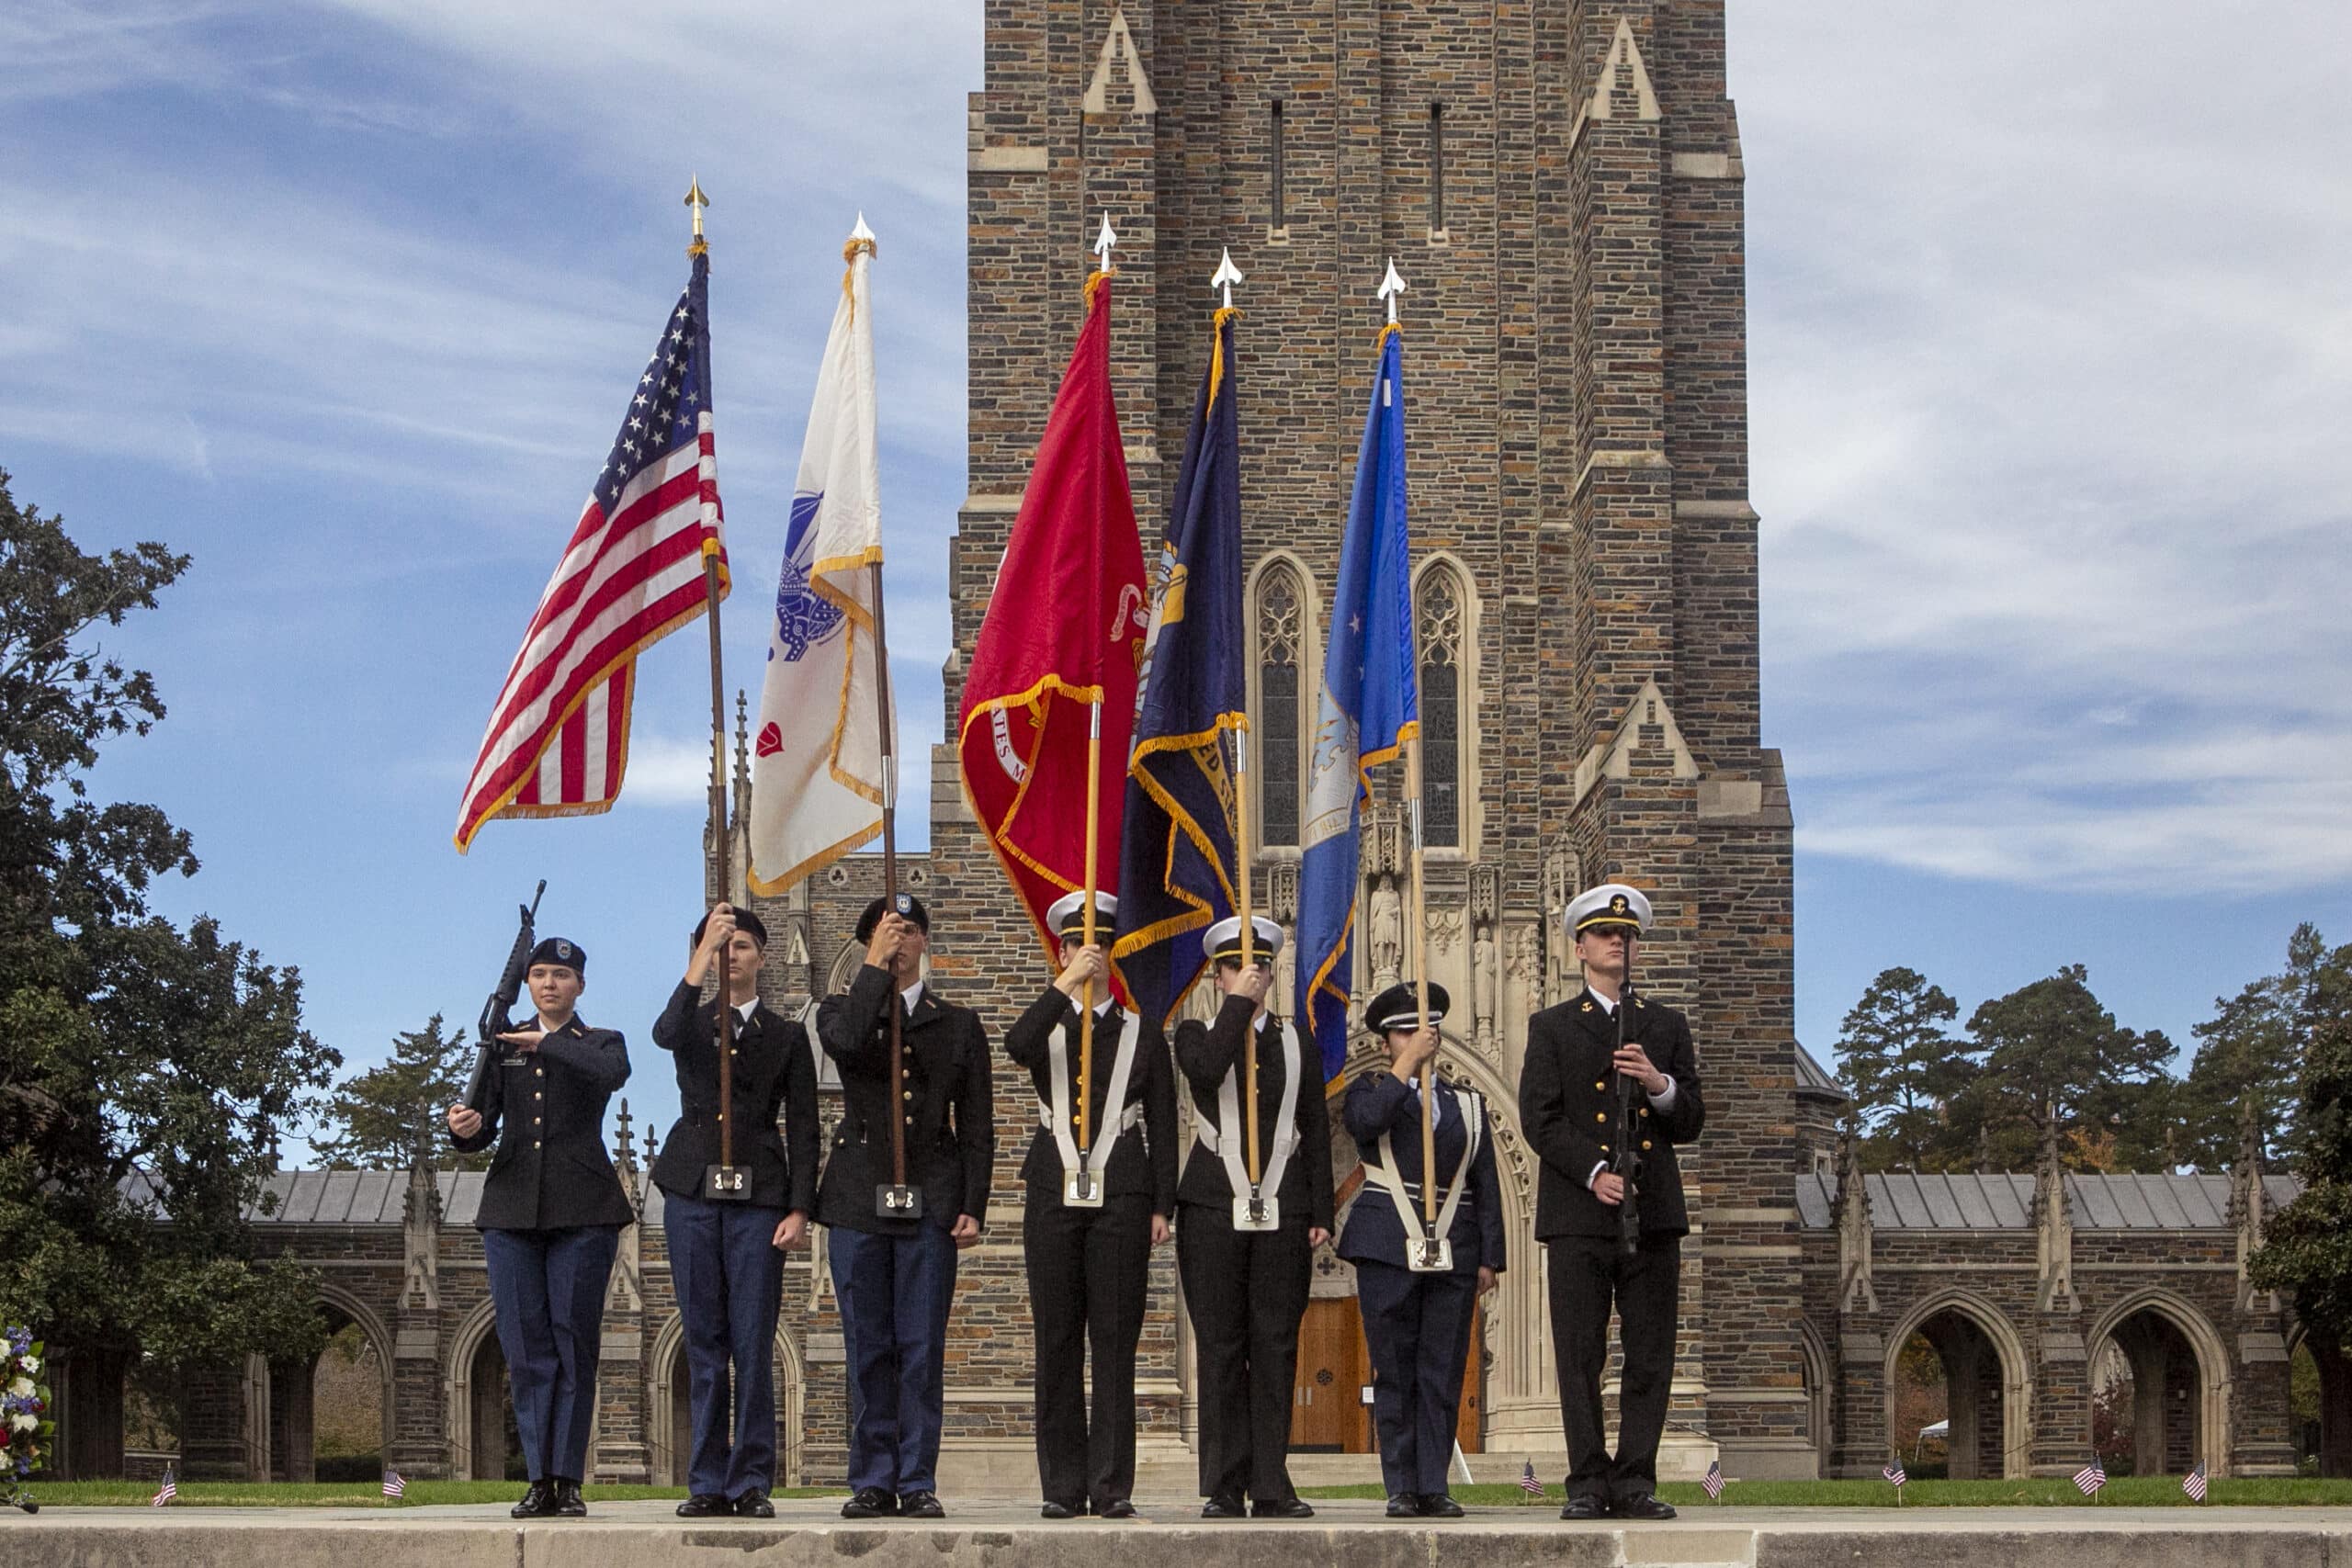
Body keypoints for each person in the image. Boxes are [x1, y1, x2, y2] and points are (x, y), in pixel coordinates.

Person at [1517, 883, 1705, 1521]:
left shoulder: (1664, 1024)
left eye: (1625, 935)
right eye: (1604, 934)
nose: (1616, 942)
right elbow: (1539, 1120)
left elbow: (1692, 1120)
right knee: (1580, 1352)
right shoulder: (1552, 1026)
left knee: (1650, 1353)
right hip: (1579, 1214)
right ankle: (1587, 1481)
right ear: (1580, 948)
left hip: (1651, 1213)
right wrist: (1594, 1169)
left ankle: (1635, 1479)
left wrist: (1659, 1083)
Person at [815, 894, 994, 1520]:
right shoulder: (843, 1008)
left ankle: (916, 1477)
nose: (900, 941)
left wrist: (973, 1201)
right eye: (888, 932)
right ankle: (872, 1476)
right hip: (857, 1197)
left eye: (910, 931)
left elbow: (975, 1124)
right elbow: (843, 1042)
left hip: (931, 1198)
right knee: (869, 1346)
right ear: (870, 943)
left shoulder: (957, 1023)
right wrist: (872, 968)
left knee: (920, 1347)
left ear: (925, 943)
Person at [444, 936, 632, 1519]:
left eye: (561, 975)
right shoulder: (502, 1046)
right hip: (511, 1210)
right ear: (527, 984)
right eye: (540, 975)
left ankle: (567, 1478)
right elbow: (481, 1127)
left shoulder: (599, 1042)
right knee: (526, 1352)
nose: (549, 983)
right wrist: (463, 1126)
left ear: (579, 985)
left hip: (583, 1210)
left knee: (573, 1345)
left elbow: (611, 1074)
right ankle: (538, 1480)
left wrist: (546, 1044)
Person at [1003, 890, 1177, 1519]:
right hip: (1053, 1187)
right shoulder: (1048, 1020)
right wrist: (1062, 984)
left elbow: (1162, 1120)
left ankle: (1110, 1484)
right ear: (1063, 949)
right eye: (1077, 943)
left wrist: (1163, 1203)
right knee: (1056, 1340)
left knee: (1113, 1342)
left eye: (1098, 943)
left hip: (1123, 1191)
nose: (1089, 953)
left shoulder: (1140, 1031)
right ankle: (1060, 1485)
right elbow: (1015, 1044)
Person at [650, 903, 819, 1518]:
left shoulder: (787, 1034)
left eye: (742, 944)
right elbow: (663, 1032)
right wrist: (699, 959)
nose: (733, 955)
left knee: (752, 1341)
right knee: (703, 1341)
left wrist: (801, 1206)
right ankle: (705, 1481)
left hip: (759, 1198)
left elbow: (804, 1124)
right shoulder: (692, 1023)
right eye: (721, 945)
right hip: (692, 1191)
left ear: (762, 957)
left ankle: (750, 1479)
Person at [1172, 914, 1332, 1519]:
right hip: (1214, 1201)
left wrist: (1321, 1209)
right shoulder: (1195, 1030)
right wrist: (1237, 1007)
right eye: (1239, 965)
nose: (1253, 975)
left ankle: (1271, 1479)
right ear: (1218, 976)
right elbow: (1208, 1070)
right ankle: (1222, 1481)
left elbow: (1314, 1126)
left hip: (1283, 1206)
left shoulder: (1297, 1041)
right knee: (1220, 1346)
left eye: (1261, 966)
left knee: (1274, 1345)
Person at [1339, 981, 1504, 1518]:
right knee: (1396, 1369)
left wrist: (1489, 1257)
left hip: (1452, 1248)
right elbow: (1368, 1124)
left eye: (1424, 1028)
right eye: (1405, 1031)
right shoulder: (1368, 1090)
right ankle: (1401, 1485)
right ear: (1387, 1040)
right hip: (1388, 1243)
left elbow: (1486, 1182)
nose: (1418, 1037)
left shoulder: (1469, 1105)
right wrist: (1406, 1065)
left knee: (1442, 1369)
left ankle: (1434, 1483)